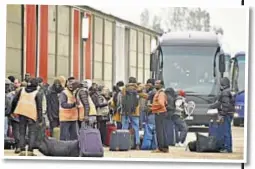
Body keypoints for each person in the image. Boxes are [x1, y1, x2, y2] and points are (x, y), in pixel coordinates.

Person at [11, 78, 43, 156]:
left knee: (22, 132)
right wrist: (40, 119)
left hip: (22, 114)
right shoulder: (37, 93)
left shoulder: (21, 91)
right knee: (32, 133)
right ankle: (30, 151)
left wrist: (12, 111)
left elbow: (14, 100)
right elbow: (39, 107)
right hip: (32, 115)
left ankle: (22, 150)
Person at [209, 77, 235, 153]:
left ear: (223, 84)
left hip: (226, 114)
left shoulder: (225, 93)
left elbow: (225, 105)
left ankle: (227, 148)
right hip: (229, 113)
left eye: (221, 83)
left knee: (225, 131)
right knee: (227, 131)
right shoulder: (228, 91)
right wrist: (212, 106)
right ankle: (226, 147)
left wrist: (222, 114)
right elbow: (220, 103)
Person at [121, 77, 140, 150]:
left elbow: (121, 100)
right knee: (136, 128)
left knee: (124, 127)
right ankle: (137, 144)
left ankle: (123, 143)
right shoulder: (138, 89)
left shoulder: (124, 89)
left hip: (125, 112)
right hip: (135, 112)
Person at [150, 80, 168, 153]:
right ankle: (165, 148)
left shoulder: (160, 93)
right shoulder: (161, 93)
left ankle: (160, 148)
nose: (155, 84)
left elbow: (161, 104)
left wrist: (153, 107)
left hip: (159, 113)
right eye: (155, 83)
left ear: (161, 85)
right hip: (161, 113)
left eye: (157, 83)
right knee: (162, 131)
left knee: (159, 131)